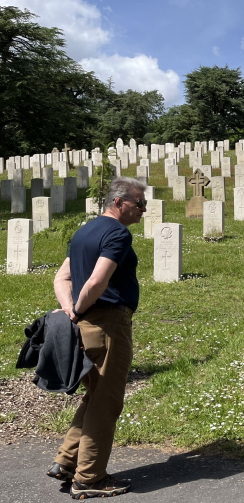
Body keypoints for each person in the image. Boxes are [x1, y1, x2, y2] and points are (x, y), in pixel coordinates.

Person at [49, 177, 147, 499]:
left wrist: (69, 310)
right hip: (108, 325)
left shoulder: (85, 230)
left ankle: (66, 461)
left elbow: (62, 276)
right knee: (107, 401)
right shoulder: (118, 232)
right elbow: (96, 281)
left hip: (85, 324)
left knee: (94, 396)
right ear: (119, 202)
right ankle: (89, 479)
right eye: (139, 203)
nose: (143, 209)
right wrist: (77, 308)